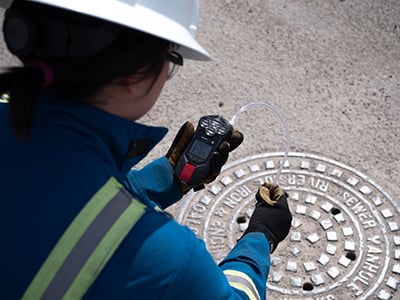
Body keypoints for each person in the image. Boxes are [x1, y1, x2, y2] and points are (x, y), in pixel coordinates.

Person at [0, 0, 292, 299]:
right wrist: (260, 237)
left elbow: (65, 204)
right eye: (172, 59)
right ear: (134, 72)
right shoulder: (170, 262)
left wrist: (161, 182)